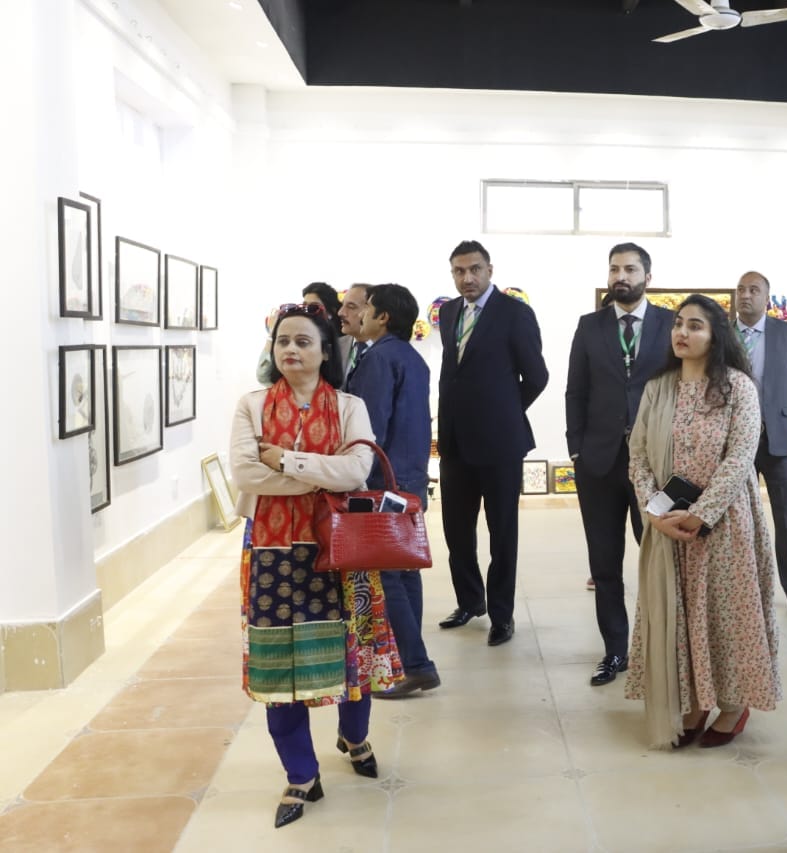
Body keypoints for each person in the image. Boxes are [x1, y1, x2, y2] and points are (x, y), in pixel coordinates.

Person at [229, 302, 403, 828]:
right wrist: (322, 475)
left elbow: (357, 472)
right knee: (277, 668)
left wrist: (284, 460)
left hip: (343, 552)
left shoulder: (350, 406)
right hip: (272, 555)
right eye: (282, 341)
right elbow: (245, 474)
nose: (291, 349)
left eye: (303, 341)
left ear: (326, 351)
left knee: (354, 655)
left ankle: (355, 737)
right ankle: (302, 774)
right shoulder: (252, 405)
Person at [626, 294, 781, 749]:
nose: (682, 332)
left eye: (695, 325)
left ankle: (733, 704)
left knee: (724, 619)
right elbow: (638, 454)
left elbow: (740, 457)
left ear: (716, 336)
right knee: (683, 617)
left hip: (725, 524)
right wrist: (655, 514)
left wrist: (701, 512)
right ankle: (694, 702)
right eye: (678, 323)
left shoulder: (738, 387)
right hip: (669, 528)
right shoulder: (659, 388)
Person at [566, 243, 675, 686]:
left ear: (647, 276)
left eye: (630, 269)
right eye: (614, 269)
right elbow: (576, 390)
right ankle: (615, 650)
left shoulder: (671, 324)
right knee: (605, 562)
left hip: (656, 465)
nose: (620, 277)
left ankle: (663, 647)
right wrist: (576, 449)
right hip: (599, 463)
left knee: (660, 559)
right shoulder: (589, 326)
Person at [436, 240, 549, 646]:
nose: (467, 277)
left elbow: (536, 376)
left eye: (474, 269)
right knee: (456, 531)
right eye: (459, 271)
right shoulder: (449, 312)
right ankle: (470, 601)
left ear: (489, 270)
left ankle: (502, 614)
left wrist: (504, 411)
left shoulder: (515, 313)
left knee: (502, 533)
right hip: (455, 441)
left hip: (500, 443)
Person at [347, 283, 441, 699]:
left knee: (388, 573)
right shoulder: (412, 358)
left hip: (385, 482)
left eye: (365, 308)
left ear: (382, 316)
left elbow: (371, 428)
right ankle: (409, 660)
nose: (360, 315)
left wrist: (356, 475)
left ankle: (417, 665)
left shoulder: (379, 358)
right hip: (411, 477)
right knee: (405, 569)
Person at [734, 271, 787, 611]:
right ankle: (743, 587)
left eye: (754, 290)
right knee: (738, 516)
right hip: (735, 440)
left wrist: (780, 406)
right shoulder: (723, 334)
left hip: (778, 437)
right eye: (741, 289)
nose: (746, 295)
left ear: (766, 298)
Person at [255, 282, 350, 386]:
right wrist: (272, 334)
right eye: (304, 306)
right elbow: (263, 376)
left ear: (331, 312)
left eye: (313, 307)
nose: (307, 312)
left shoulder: (346, 343)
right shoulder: (294, 336)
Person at [336, 283, 373, 388]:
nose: (341, 312)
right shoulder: (336, 347)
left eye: (351, 307)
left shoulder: (390, 353)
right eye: (342, 305)